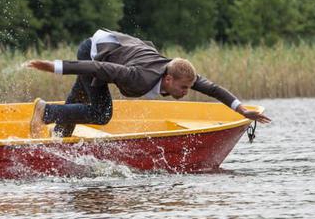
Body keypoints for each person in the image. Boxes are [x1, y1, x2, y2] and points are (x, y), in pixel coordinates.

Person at [26, 28, 270, 137]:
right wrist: (55, 66)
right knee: (101, 113)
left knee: (81, 100)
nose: (186, 92)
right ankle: (45, 112)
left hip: (111, 52)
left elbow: (213, 89)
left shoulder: (179, 73)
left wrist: (242, 110)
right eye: (183, 87)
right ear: (168, 78)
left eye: (188, 87)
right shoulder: (138, 77)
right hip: (93, 52)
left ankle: (56, 140)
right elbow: (97, 67)